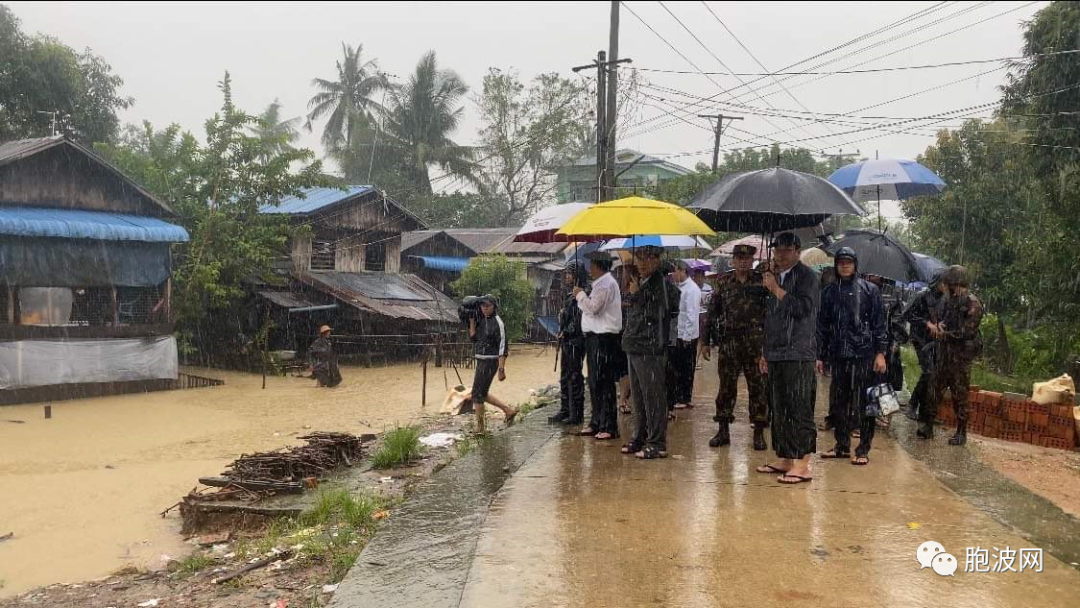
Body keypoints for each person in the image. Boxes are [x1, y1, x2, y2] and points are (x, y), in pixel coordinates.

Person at [755, 232, 820, 484]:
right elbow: (770, 318)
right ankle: (785, 456)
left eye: (785, 250)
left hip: (798, 352)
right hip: (776, 352)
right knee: (779, 407)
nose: (780, 254)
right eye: (776, 250)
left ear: (797, 250)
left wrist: (776, 289)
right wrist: (765, 351)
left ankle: (803, 463)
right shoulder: (773, 276)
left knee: (799, 406)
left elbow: (803, 309)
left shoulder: (807, 277)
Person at [816, 248, 889, 465]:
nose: (845, 266)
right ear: (836, 265)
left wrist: (880, 353)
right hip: (839, 355)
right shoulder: (829, 292)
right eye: (841, 262)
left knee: (866, 403)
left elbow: (879, 324)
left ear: (855, 264)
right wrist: (820, 355)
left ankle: (863, 448)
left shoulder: (870, 290)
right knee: (839, 403)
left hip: (865, 354)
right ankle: (841, 445)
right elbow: (822, 326)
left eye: (848, 262)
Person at [700, 244, 770, 450]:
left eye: (747, 258)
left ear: (752, 261)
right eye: (739, 258)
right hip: (729, 343)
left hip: (755, 344)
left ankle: (758, 432)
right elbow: (712, 313)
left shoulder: (762, 281)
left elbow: (772, 312)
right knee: (726, 388)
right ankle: (723, 431)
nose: (743, 261)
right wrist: (705, 341)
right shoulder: (723, 282)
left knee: (758, 388)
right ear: (733, 260)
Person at [620, 246, 680, 459]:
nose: (643, 263)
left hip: (651, 347)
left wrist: (638, 296)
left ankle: (657, 442)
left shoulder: (661, 285)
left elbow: (660, 312)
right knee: (638, 396)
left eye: (648, 259)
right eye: (640, 258)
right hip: (634, 345)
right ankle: (640, 436)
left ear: (657, 260)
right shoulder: (639, 281)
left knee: (653, 396)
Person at [922, 265, 983, 445]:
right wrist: (940, 326)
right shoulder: (950, 300)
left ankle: (961, 432)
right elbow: (946, 321)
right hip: (944, 356)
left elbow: (968, 333)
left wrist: (945, 334)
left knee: (960, 396)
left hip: (961, 359)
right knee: (933, 391)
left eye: (948, 283)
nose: (946, 287)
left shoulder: (973, 303)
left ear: (955, 282)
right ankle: (928, 426)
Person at [573, 251, 623, 441]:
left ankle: (608, 425)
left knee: (604, 382)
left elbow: (594, 308)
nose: (589, 269)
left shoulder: (607, 284)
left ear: (598, 266)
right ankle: (596, 421)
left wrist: (580, 295)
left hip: (604, 338)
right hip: (594, 338)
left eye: (592, 265)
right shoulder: (600, 284)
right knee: (594, 382)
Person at [468, 295, 518, 434]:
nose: (485, 308)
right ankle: (508, 410)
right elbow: (474, 338)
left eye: (488, 306)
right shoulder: (480, 319)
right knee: (481, 394)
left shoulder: (498, 323)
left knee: (476, 394)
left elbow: (503, 348)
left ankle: (481, 428)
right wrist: (471, 321)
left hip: (490, 361)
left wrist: (501, 369)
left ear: (494, 306)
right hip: (480, 359)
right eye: (483, 305)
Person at [902, 271, 945, 423]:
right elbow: (907, 313)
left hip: (935, 340)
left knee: (933, 375)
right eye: (943, 283)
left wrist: (940, 325)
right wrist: (926, 323)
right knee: (928, 372)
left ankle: (925, 411)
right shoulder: (922, 295)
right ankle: (912, 405)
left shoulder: (944, 299)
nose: (945, 286)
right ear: (937, 282)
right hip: (920, 338)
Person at [551, 262, 587, 425]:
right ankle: (565, 409)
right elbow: (568, 316)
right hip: (566, 341)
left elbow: (579, 319)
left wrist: (567, 331)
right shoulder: (568, 295)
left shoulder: (583, 293)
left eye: (570, 274)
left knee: (574, 377)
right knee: (565, 376)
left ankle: (576, 413)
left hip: (576, 341)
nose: (567, 277)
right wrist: (562, 317)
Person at [666, 260, 701, 412]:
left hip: (686, 336)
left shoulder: (691, 289)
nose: (673, 275)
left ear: (683, 271)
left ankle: (684, 397)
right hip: (677, 333)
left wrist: (687, 337)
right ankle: (679, 396)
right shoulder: (678, 287)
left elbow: (692, 315)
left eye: (675, 272)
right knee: (677, 367)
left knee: (685, 367)